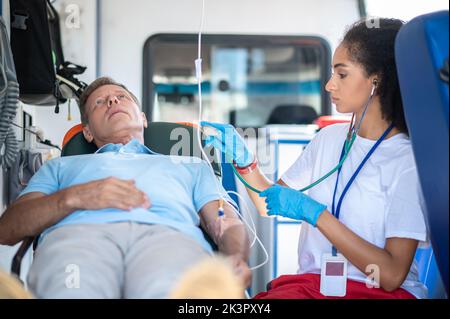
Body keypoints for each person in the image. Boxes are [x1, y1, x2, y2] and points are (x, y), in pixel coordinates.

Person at [202, 18, 428, 299]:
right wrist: (245, 162)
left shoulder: (407, 159)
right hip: (314, 287)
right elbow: (266, 203)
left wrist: (317, 215)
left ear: (376, 80)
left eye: (342, 74)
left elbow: (392, 274)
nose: (329, 85)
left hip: (375, 293)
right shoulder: (329, 139)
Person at [0, 77, 251, 299]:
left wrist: (235, 257)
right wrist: (73, 197)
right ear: (87, 131)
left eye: (121, 97)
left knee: (168, 290)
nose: (112, 102)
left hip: (168, 239)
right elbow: (7, 230)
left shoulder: (192, 166)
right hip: (80, 239)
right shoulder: (61, 167)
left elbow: (226, 223)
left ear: (142, 118)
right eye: (100, 102)